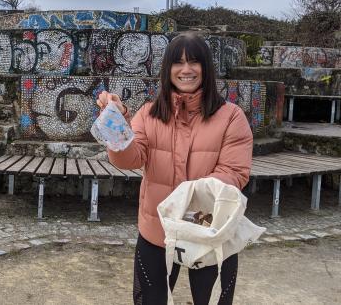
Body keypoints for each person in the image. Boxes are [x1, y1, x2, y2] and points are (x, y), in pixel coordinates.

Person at [96, 32, 253, 305]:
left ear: (206, 68)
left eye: (194, 62)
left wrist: (187, 202)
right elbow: (129, 159)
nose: (186, 70)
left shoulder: (231, 117)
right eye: (178, 63)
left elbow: (234, 172)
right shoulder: (149, 113)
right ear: (167, 69)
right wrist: (117, 124)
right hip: (157, 231)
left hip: (210, 231)